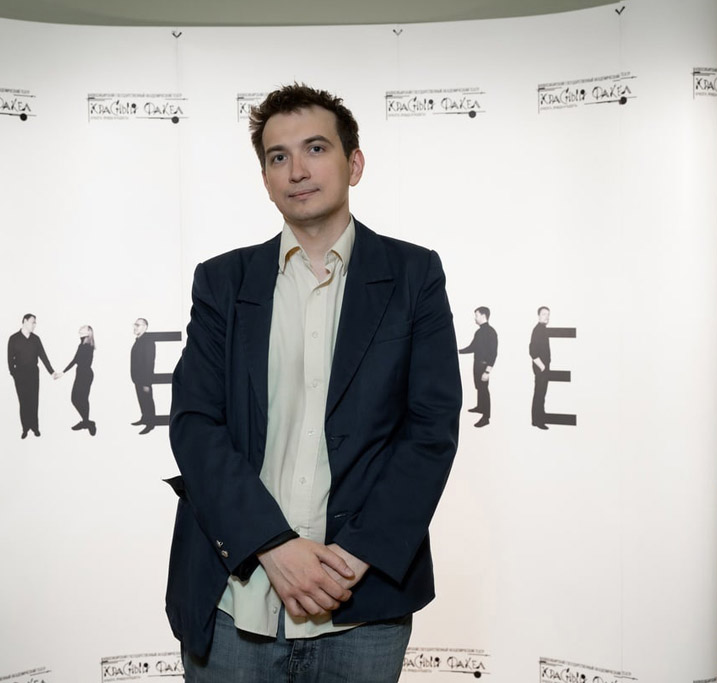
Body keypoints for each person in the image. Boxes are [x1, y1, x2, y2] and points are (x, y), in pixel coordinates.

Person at [165, 83, 461, 683]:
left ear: (354, 163)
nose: (297, 170)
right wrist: (272, 546)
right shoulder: (222, 282)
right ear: (266, 178)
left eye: (316, 149)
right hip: (234, 601)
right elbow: (195, 425)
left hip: (362, 606)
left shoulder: (414, 275)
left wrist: (351, 558)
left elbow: (430, 430)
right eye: (279, 156)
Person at [7, 313, 58, 439]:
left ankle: (35, 427)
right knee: (23, 402)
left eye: (35, 323)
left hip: (33, 375)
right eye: (32, 322)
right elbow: (10, 359)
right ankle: (25, 428)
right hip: (20, 376)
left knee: (34, 401)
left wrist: (52, 372)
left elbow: (43, 356)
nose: (34, 325)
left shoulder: (36, 339)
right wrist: (14, 374)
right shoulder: (13, 338)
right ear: (25, 321)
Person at [459, 306, 498, 428]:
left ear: (483, 316)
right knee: (479, 388)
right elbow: (472, 347)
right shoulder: (479, 332)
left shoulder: (491, 332)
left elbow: (493, 353)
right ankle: (480, 407)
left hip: (484, 366)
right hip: (476, 364)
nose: (475, 318)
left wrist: (487, 371)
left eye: (476, 315)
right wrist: (458, 351)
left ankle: (486, 418)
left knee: (484, 390)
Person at [63, 325, 96, 436]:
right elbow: (75, 360)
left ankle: (87, 422)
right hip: (81, 374)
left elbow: (78, 361)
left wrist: (64, 371)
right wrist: (63, 372)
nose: (80, 330)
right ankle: (87, 422)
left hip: (85, 375)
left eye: (83, 329)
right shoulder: (82, 345)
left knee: (82, 399)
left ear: (88, 333)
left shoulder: (88, 346)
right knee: (75, 399)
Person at [130, 318, 156, 435]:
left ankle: (150, 424)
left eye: (138, 325)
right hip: (138, 378)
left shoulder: (148, 341)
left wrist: (147, 382)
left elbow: (149, 363)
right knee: (142, 400)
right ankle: (144, 418)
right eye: (134, 325)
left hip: (144, 379)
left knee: (147, 401)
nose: (135, 327)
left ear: (145, 327)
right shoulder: (139, 340)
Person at [529, 306, 551, 430]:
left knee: (540, 394)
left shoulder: (542, 329)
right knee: (540, 395)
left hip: (542, 369)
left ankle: (536, 420)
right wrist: (542, 367)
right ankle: (538, 421)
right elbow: (532, 351)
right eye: (544, 314)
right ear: (538, 316)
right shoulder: (538, 330)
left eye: (548, 314)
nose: (546, 317)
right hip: (541, 369)